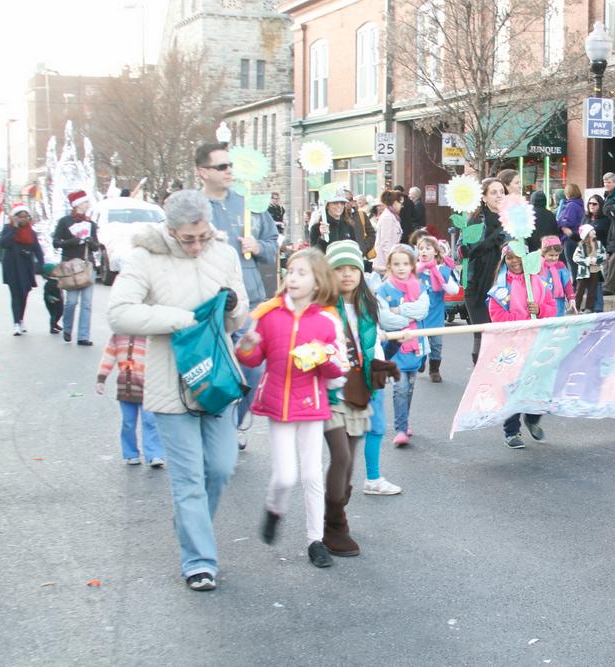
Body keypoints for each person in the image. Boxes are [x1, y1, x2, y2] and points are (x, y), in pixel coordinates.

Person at [107, 190, 249, 592]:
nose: (197, 245)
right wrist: (181, 320)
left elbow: (238, 318)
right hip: (171, 382)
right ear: (170, 230)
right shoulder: (144, 258)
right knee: (188, 478)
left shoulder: (223, 254)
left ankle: (191, 525)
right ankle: (199, 561)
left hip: (218, 379)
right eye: (188, 239)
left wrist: (235, 307)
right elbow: (118, 312)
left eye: (202, 235)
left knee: (221, 468)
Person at [236, 248, 345, 569]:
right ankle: (274, 509)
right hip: (277, 406)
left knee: (311, 475)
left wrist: (323, 357)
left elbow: (339, 367)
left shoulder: (328, 321)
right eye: (291, 271)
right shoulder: (268, 315)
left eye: (302, 273)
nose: (293, 278)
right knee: (285, 476)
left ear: (318, 282)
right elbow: (253, 359)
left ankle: (316, 540)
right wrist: (246, 346)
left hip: (312, 405)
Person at [196, 142, 279, 451]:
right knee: (212, 370)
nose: (229, 171)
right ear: (203, 172)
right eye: (221, 166)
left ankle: (232, 424)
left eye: (230, 166)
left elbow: (273, 246)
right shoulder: (194, 208)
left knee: (253, 368)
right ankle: (213, 429)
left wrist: (258, 247)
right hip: (207, 304)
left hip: (248, 300)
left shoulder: (249, 206)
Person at [324, 241, 403, 504]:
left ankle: (373, 478)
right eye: (340, 269)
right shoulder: (322, 308)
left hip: (368, 379)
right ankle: (332, 511)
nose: (347, 274)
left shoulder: (369, 305)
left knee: (375, 427)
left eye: (353, 269)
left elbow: (375, 344)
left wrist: (387, 355)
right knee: (342, 452)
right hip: (335, 386)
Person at [487, 242, 557, 448]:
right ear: (504, 261)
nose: (515, 261)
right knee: (513, 387)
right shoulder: (500, 288)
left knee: (539, 384)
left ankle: (533, 418)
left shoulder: (540, 283)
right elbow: (497, 315)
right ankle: (511, 431)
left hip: (537, 342)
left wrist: (540, 309)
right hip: (511, 345)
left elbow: (553, 308)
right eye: (510, 258)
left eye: (518, 256)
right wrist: (522, 318)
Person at [377, 245, 427, 447]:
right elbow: (384, 318)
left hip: (415, 348)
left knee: (409, 387)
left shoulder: (421, 287)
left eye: (405, 264)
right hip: (395, 347)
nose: (401, 268)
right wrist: (406, 318)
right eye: (396, 264)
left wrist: (399, 310)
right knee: (400, 387)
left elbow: (422, 310)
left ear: (412, 266)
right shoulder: (382, 290)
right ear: (389, 266)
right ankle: (400, 429)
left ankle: (404, 422)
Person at [96, 334, 165, 466]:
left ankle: (155, 454)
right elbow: (108, 357)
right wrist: (101, 379)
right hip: (126, 388)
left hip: (149, 389)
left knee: (150, 421)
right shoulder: (118, 336)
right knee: (128, 423)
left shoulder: (151, 335)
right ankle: (131, 454)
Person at [462, 178, 507, 364]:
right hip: (476, 283)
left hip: (503, 284)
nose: (498, 196)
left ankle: (496, 374)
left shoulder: (512, 220)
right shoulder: (475, 220)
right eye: (493, 192)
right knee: (482, 332)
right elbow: (465, 250)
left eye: (501, 192)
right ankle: (479, 372)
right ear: (484, 197)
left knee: (500, 333)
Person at [53, 191, 97, 345]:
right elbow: (56, 242)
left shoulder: (91, 224)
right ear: (76, 204)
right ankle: (67, 328)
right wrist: (72, 241)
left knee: (87, 303)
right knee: (71, 302)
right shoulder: (65, 222)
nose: (87, 205)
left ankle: (83, 336)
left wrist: (91, 242)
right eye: (84, 202)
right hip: (70, 268)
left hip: (86, 266)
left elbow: (96, 247)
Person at [416, 234, 459, 381]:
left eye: (428, 248)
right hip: (418, 316)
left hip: (435, 314)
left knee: (436, 344)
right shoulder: (415, 271)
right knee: (419, 343)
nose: (424, 251)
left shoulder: (442, 270)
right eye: (421, 248)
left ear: (435, 251)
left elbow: (454, 290)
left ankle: (434, 370)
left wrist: (442, 278)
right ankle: (420, 362)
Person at [2, 204, 44, 336]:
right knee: (15, 294)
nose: (23, 219)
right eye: (20, 216)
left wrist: (43, 266)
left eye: (25, 216)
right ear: (14, 218)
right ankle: (16, 324)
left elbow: (37, 249)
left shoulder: (31, 232)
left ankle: (20, 319)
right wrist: (14, 228)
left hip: (26, 266)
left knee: (24, 294)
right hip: (12, 266)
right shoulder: (8, 229)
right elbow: (4, 243)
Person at [538, 235, 575, 316]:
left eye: (556, 255)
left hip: (558, 303)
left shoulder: (560, 266)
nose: (554, 258)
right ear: (543, 253)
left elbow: (567, 284)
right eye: (551, 255)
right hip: (543, 302)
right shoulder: (537, 266)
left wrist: (571, 299)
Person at [572, 223, 606, 313]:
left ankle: (589, 308)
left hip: (595, 271)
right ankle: (576, 308)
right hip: (584, 272)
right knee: (580, 290)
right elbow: (575, 258)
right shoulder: (581, 246)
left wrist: (597, 260)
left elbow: (604, 255)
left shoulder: (598, 244)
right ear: (586, 234)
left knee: (592, 290)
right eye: (592, 231)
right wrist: (587, 261)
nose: (594, 232)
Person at [557, 183, 584, 278]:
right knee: (577, 263)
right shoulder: (580, 204)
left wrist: (561, 225)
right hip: (578, 237)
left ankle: (575, 286)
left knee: (572, 264)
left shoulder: (571, 205)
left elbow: (566, 222)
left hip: (570, 238)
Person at [372, 189, 403, 274]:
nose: (401, 205)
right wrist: (390, 263)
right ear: (394, 202)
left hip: (390, 259)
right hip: (385, 263)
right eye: (400, 202)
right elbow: (386, 242)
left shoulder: (392, 216)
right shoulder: (387, 217)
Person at [42, 263, 63, 334]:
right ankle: (52, 328)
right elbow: (46, 294)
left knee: (60, 312)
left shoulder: (57, 280)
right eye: (55, 270)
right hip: (51, 301)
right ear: (50, 273)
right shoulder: (48, 283)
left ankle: (55, 324)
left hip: (59, 300)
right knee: (53, 314)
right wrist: (51, 298)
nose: (57, 271)